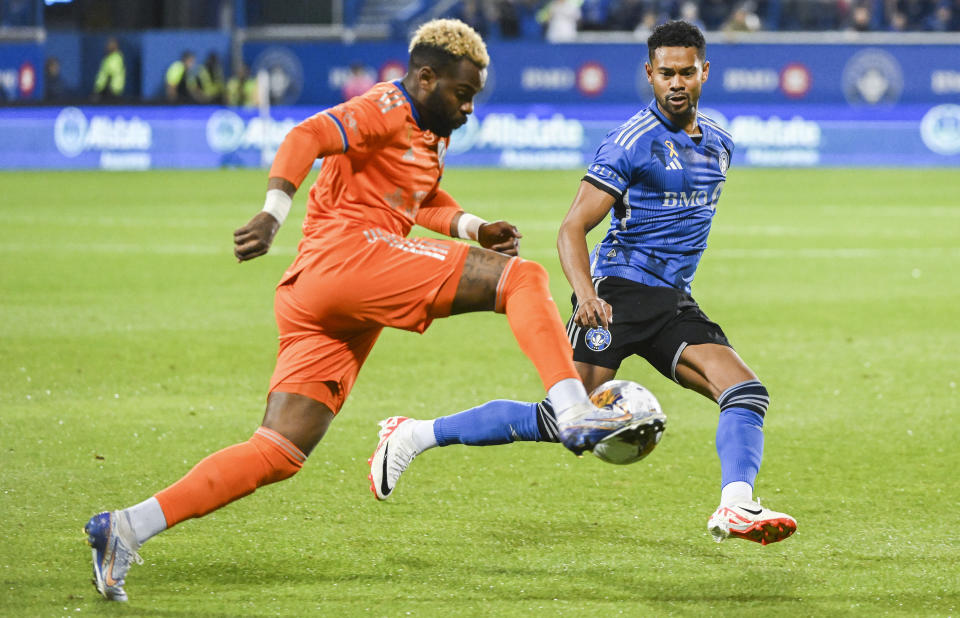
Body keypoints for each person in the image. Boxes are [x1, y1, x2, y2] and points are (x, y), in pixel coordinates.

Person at [82, 18, 616, 602]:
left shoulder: (429, 128)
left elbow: (416, 198)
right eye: (462, 95)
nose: (468, 109)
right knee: (524, 279)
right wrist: (272, 212)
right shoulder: (385, 105)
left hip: (322, 295)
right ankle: (572, 409)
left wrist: (472, 227)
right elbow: (305, 136)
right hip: (347, 259)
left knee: (280, 449)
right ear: (426, 77)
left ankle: (127, 527)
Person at [368, 20, 798, 547]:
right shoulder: (629, 144)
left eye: (687, 72)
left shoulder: (720, 145)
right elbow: (572, 228)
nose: (677, 83)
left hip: (672, 302)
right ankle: (412, 434)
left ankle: (735, 505)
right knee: (562, 422)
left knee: (746, 392)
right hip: (616, 297)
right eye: (666, 73)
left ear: (704, 72)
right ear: (650, 74)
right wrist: (589, 294)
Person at [92, 37, 125, 102]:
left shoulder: (115, 57)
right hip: (106, 90)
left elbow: (110, 74)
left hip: (111, 90)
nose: (108, 47)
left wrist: (103, 89)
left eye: (111, 45)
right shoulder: (109, 57)